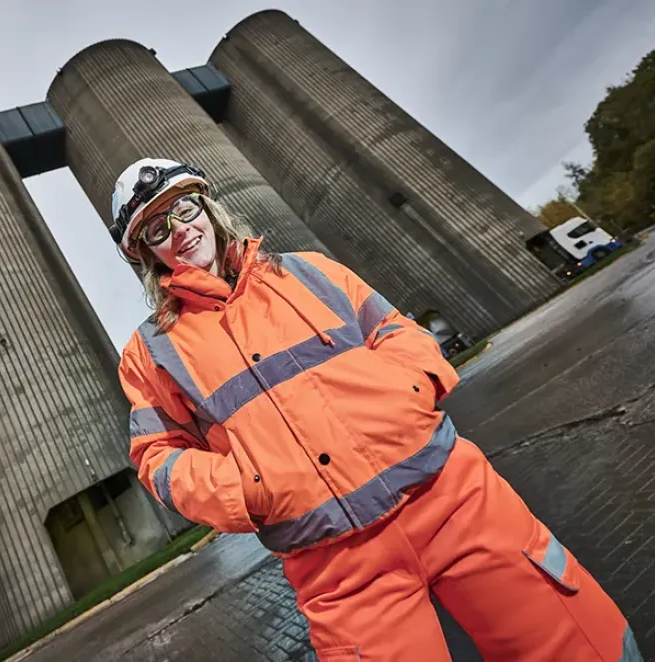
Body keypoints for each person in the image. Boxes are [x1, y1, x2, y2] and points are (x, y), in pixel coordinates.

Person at [109, 157, 640, 662]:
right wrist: (248, 487)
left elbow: (397, 333)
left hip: (452, 501)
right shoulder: (152, 351)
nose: (179, 230)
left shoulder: (308, 273)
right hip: (336, 566)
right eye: (157, 229)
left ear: (207, 206)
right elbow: (158, 457)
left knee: (575, 643)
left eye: (184, 209)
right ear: (144, 255)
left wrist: (404, 396)